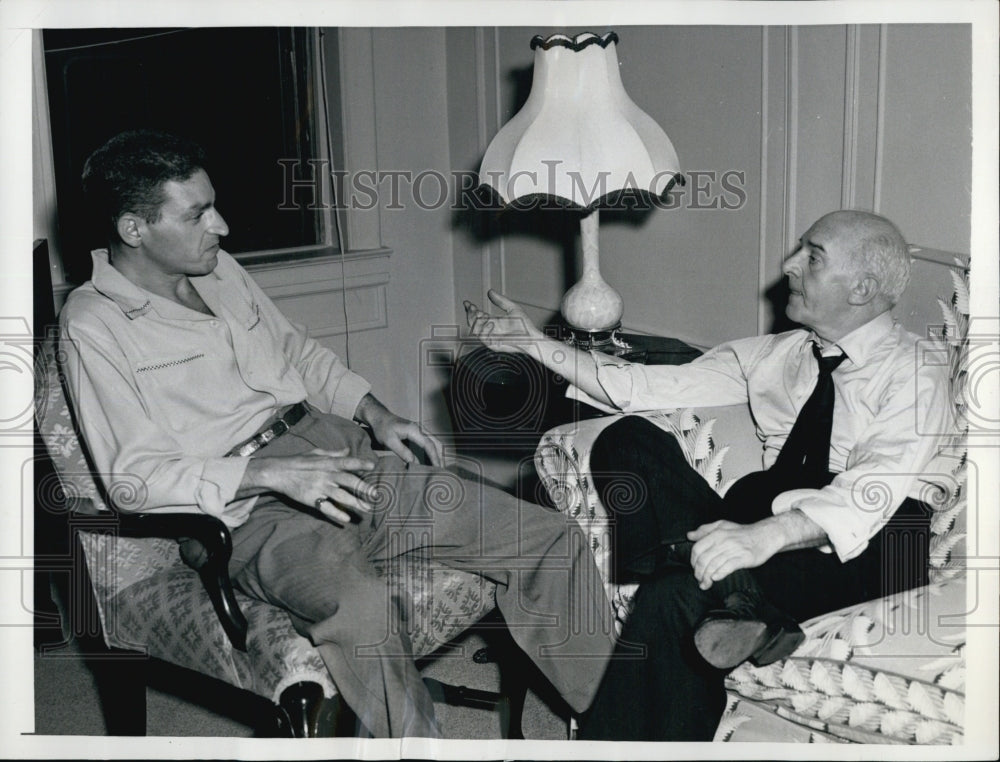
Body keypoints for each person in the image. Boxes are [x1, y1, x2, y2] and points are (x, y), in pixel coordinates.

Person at [59, 129, 617, 739]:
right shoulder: (94, 325)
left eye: (213, 204)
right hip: (253, 514)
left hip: (345, 460)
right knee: (362, 611)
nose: (220, 225)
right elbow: (132, 480)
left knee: (545, 537)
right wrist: (271, 474)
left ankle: (622, 730)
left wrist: (376, 415)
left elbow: (298, 353)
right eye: (196, 214)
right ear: (134, 229)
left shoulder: (219, 272)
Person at [467, 209, 952, 740]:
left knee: (674, 594)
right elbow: (644, 387)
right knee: (626, 438)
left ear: (862, 288)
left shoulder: (913, 368)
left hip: (872, 547)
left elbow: (875, 487)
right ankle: (741, 599)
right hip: (767, 526)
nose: (787, 266)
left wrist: (761, 537)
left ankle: (724, 609)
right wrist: (534, 342)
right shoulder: (777, 354)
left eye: (811, 257)